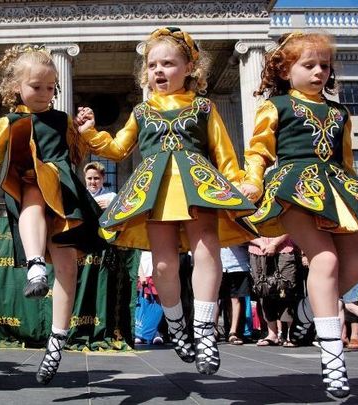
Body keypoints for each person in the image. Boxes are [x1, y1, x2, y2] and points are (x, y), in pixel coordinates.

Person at [76, 27, 256, 375]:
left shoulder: (204, 107)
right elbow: (118, 148)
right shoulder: (142, 111)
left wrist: (242, 183)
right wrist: (90, 134)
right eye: (153, 64)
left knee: (207, 252)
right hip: (156, 193)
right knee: (162, 267)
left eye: (168, 64)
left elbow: (224, 153)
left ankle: (203, 330)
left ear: (189, 67)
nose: (159, 71)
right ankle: (175, 323)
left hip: (199, 188)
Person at [0, 44, 115, 385]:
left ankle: (57, 339)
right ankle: (35, 265)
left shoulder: (63, 120)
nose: (45, 94)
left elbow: (77, 153)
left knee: (69, 266)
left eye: (50, 88)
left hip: (65, 196)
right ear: (16, 87)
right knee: (32, 187)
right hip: (29, 186)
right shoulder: (9, 122)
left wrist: (88, 130)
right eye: (36, 87)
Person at [241, 32, 358, 399]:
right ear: (284, 69)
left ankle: (307, 308)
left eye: (324, 66)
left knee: (357, 266)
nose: (319, 72)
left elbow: (345, 161)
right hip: (293, 187)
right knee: (324, 259)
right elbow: (258, 150)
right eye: (308, 65)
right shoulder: (276, 106)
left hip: (337, 187)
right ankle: (333, 358)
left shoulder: (340, 112)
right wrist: (252, 181)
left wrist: (356, 197)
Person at [249, 236, 301, 347]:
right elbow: (243, 228)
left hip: (284, 248)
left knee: (286, 290)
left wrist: (274, 244)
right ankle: (272, 334)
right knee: (264, 290)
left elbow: (288, 224)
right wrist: (261, 244)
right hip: (258, 249)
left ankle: (289, 334)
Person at [218, 245, 252, 345]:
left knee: (235, 298)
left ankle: (234, 332)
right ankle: (212, 330)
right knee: (215, 299)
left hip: (238, 265)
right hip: (219, 264)